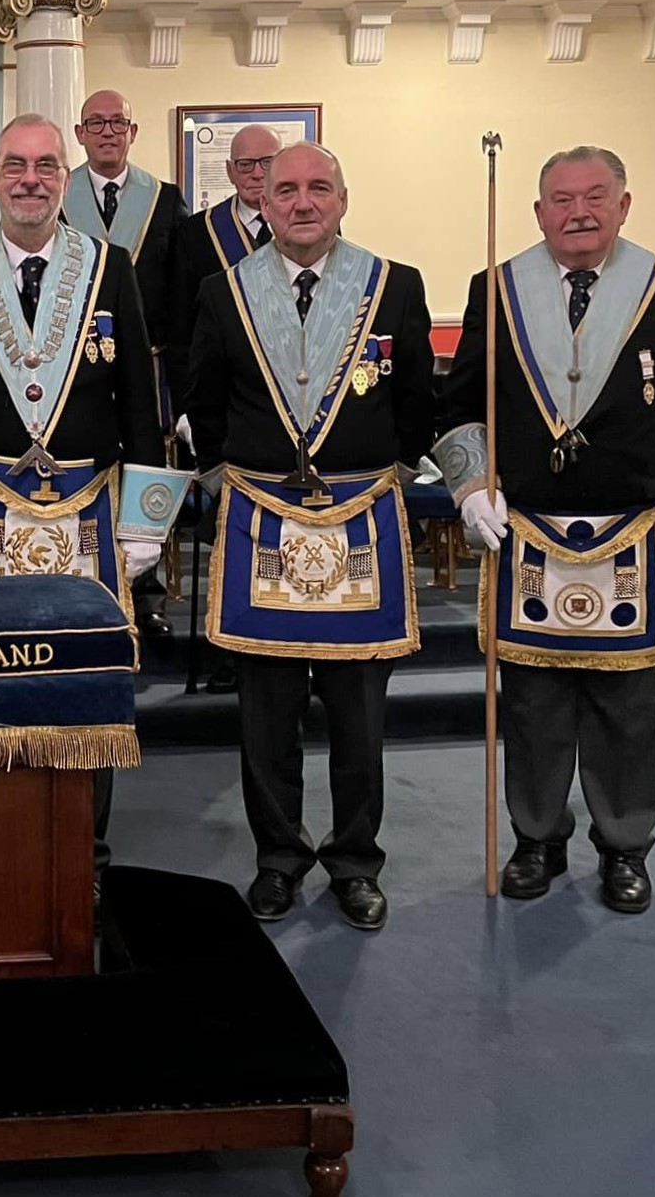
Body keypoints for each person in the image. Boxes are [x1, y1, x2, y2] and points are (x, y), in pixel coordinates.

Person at [436, 146, 655, 915]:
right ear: (538, 213)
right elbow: (459, 404)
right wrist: (469, 486)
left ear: (625, 204)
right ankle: (536, 839)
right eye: (561, 200)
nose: (579, 212)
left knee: (627, 708)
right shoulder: (496, 289)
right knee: (530, 701)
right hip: (527, 526)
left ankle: (625, 846)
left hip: (630, 528)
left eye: (596, 196)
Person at [0, 112, 168, 884]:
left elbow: (137, 405)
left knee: (87, 674)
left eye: (46, 165)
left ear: (66, 176)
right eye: (16, 164)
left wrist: (145, 520)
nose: (30, 178)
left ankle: (84, 848)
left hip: (88, 509)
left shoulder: (110, 266)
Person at [187, 141, 433, 930]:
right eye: (285, 188)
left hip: (360, 521)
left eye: (317, 187)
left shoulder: (393, 287)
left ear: (343, 198)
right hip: (263, 522)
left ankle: (356, 862)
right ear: (261, 200)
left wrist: (374, 471)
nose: (300, 202)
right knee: (267, 715)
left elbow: (417, 407)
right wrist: (246, 474)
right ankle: (279, 858)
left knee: (360, 716)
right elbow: (207, 404)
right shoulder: (223, 290)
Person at [63, 89, 189, 639]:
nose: (108, 131)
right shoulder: (55, 194)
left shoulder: (164, 199)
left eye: (118, 122)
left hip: (149, 366)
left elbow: (182, 288)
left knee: (145, 472)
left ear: (133, 133)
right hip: (71, 370)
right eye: (97, 122)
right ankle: (80, 585)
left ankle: (147, 594)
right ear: (81, 133)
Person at [170, 123, 283, 693]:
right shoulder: (196, 236)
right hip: (225, 409)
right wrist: (188, 407)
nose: (257, 174)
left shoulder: (305, 226)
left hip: (294, 414)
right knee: (227, 533)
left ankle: (297, 644)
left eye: (267, 163)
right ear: (231, 172)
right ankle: (228, 648)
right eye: (246, 165)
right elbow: (181, 330)